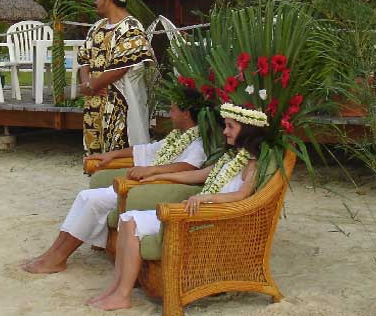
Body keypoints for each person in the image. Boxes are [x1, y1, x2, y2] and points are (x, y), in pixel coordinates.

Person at [87, 103, 270, 310]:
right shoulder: (230, 158)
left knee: (133, 220)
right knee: (127, 218)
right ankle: (117, 289)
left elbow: (241, 195)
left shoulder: (252, 164)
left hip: (211, 217)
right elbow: (196, 175)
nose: (225, 131)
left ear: (247, 130)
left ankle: (122, 294)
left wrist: (206, 199)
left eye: (230, 127)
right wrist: (158, 174)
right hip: (197, 210)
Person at [22, 87, 209, 274]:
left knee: (93, 201)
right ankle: (53, 254)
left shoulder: (198, 141)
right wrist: (111, 155)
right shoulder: (177, 137)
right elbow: (144, 150)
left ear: (186, 113)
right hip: (147, 183)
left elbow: (189, 166)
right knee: (84, 196)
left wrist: (152, 170)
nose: (170, 114)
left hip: (156, 189)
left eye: (173, 109)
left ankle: (58, 257)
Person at [77, 0, 155, 155]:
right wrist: (87, 84)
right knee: (97, 154)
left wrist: (92, 86)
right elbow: (84, 60)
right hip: (95, 102)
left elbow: (122, 66)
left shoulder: (132, 27)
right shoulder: (97, 27)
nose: (95, 2)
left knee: (121, 153)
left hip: (121, 105)